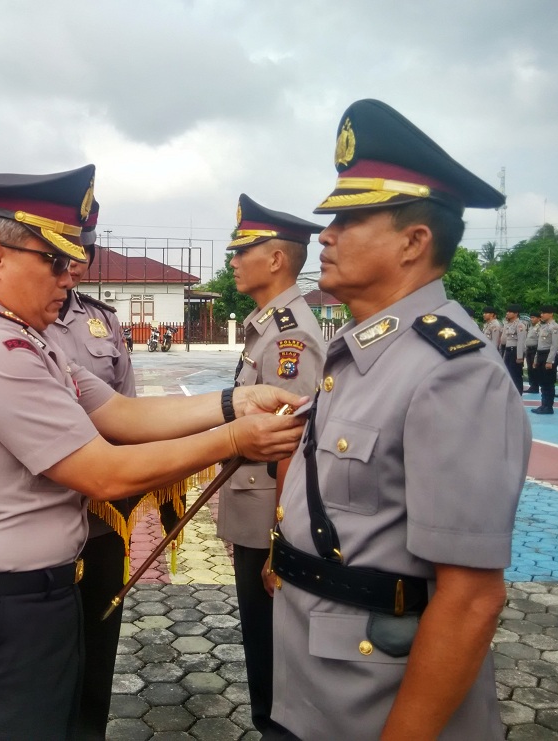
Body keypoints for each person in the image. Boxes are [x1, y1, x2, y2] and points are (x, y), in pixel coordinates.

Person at [0, 166, 306, 740]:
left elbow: (120, 414)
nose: (71, 276)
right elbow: (104, 473)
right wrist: (236, 439)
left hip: (34, 604)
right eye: (54, 261)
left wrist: (237, 400)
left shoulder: (25, 340)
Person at [266, 99, 531, 740]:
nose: (325, 234)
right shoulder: (360, 351)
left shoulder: (451, 371)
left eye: (350, 219)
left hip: (374, 699)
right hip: (310, 681)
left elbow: (470, 599)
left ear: (414, 242)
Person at [215, 193, 325, 734]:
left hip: (270, 521)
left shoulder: (289, 336)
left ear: (277, 259)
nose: (233, 259)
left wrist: (282, 543)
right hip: (255, 511)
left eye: (243, 249)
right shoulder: (267, 326)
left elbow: (292, 443)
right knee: (263, 650)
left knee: (274, 659)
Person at [46, 201, 139, 739]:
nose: (76, 261)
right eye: (64, 249)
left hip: (103, 516)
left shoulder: (101, 320)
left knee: (98, 644)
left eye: (85, 249)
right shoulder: (3, 324)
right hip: (42, 514)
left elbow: (126, 410)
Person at [532, 306, 558, 415]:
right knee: (543, 382)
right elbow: (539, 345)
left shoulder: (554, 327)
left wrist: (550, 361)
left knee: (548, 382)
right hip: (541, 355)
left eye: (544, 313)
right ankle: (543, 405)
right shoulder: (543, 327)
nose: (542, 315)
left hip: (548, 355)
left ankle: (548, 406)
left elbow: (554, 345)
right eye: (541, 313)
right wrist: (535, 359)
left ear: (551, 314)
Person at [501, 304, 526, 394]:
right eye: (507, 311)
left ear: (516, 313)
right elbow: (504, 340)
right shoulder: (508, 324)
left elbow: (521, 341)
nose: (507, 313)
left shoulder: (520, 325)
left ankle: (518, 393)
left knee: (516, 374)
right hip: (508, 350)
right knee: (508, 373)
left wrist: (519, 356)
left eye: (510, 312)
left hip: (514, 351)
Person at [524, 310, 541, 394]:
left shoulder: (539, 327)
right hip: (529, 349)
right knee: (530, 369)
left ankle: (535, 386)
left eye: (533, 317)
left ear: (539, 318)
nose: (531, 319)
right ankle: (532, 386)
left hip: (535, 349)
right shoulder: (531, 327)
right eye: (531, 317)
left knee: (535, 369)